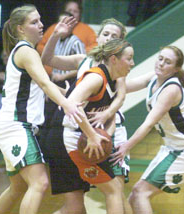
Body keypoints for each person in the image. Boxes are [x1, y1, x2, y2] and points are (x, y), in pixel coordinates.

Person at [0, 5, 83, 214]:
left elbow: (43, 85)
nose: (41, 25)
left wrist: (71, 96)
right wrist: (67, 104)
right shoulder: (25, 50)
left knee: (19, 187)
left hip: (13, 126)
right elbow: (45, 84)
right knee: (40, 182)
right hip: (16, 126)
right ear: (20, 29)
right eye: (34, 22)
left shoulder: (26, 52)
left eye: (40, 20)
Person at [41, 18, 132, 214]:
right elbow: (47, 61)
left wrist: (106, 117)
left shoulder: (116, 72)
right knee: (109, 192)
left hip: (81, 131)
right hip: (68, 130)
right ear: (98, 37)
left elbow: (121, 97)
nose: (108, 39)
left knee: (76, 207)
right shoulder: (91, 67)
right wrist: (56, 35)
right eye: (105, 34)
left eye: (114, 36)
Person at [112, 46, 184, 214]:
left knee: (140, 194)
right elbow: (124, 87)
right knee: (135, 196)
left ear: (176, 69)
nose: (161, 63)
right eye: (160, 58)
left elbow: (148, 124)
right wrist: (101, 78)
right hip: (174, 148)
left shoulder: (171, 89)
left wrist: (127, 146)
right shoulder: (154, 77)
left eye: (168, 62)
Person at [39, 11, 86, 159]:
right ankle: (45, 154)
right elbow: (47, 59)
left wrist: (64, 75)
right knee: (48, 118)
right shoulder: (56, 41)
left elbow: (83, 68)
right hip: (55, 81)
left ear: (72, 26)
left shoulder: (76, 42)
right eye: (60, 23)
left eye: (66, 23)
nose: (63, 27)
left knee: (59, 119)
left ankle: (61, 153)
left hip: (69, 82)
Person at [37, 0, 97, 75]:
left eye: (75, 11)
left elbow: (85, 60)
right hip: (52, 73)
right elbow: (42, 50)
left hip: (71, 75)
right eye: (69, 11)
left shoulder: (80, 37)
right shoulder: (55, 33)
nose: (72, 14)